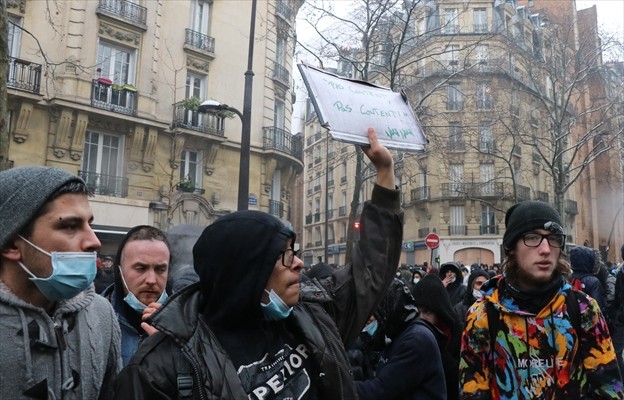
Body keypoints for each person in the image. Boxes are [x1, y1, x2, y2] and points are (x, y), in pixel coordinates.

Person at [113, 128, 403, 399]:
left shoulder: (316, 315)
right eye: (286, 255)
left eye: (296, 251)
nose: (299, 263)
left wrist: (385, 174)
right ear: (247, 271)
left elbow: (370, 270)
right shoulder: (159, 367)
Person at [459, 200, 623, 399]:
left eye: (553, 238)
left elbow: (609, 389)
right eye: (532, 237)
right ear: (511, 247)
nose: (545, 249)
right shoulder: (482, 316)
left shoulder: (583, 309)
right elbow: (472, 391)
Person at [0, 166, 121, 399]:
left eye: (90, 224)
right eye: (70, 226)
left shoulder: (101, 313)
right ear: (11, 245)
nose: (94, 241)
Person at [355, 279, 447, 400]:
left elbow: (382, 390)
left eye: (374, 317)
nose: (368, 322)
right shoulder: (396, 333)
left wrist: (340, 387)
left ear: (387, 310)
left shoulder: (416, 340)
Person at [101, 225, 171, 366]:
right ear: (120, 271)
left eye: (160, 269)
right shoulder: (94, 321)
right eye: (140, 268)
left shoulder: (187, 325)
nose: (151, 280)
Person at [412, 274, 462, 400]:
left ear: (440, 310)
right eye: (417, 312)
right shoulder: (412, 335)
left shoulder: (459, 333)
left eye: (427, 312)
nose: (421, 318)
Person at [569, 245, 606, 310]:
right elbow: (598, 306)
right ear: (589, 260)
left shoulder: (568, 278)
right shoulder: (593, 281)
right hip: (588, 317)